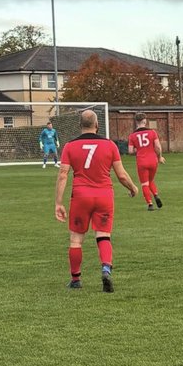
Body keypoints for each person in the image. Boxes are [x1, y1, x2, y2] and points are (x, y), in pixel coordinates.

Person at [55, 109, 138, 292]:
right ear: (97, 125)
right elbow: (121, 175)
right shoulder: (110, 145)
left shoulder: (69, 146)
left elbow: (63, 175)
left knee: (76, 240)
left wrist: (58, 203)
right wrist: (132, 187)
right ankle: (106, 268)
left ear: (79, 125)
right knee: (103, 235)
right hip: (104, 196)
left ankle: (76, 279)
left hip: (80, 197)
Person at [128, 113, 165, 210]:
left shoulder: (132, 136)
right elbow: (157, 146)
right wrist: (160, 157)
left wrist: (139, 149)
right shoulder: (152, 132)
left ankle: (150, 204)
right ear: (145, 121)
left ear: (136, 122)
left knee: (144, 183)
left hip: (142, 162)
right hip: (153, 160)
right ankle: (156, 195)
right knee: (151, 180)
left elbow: (130, 151)